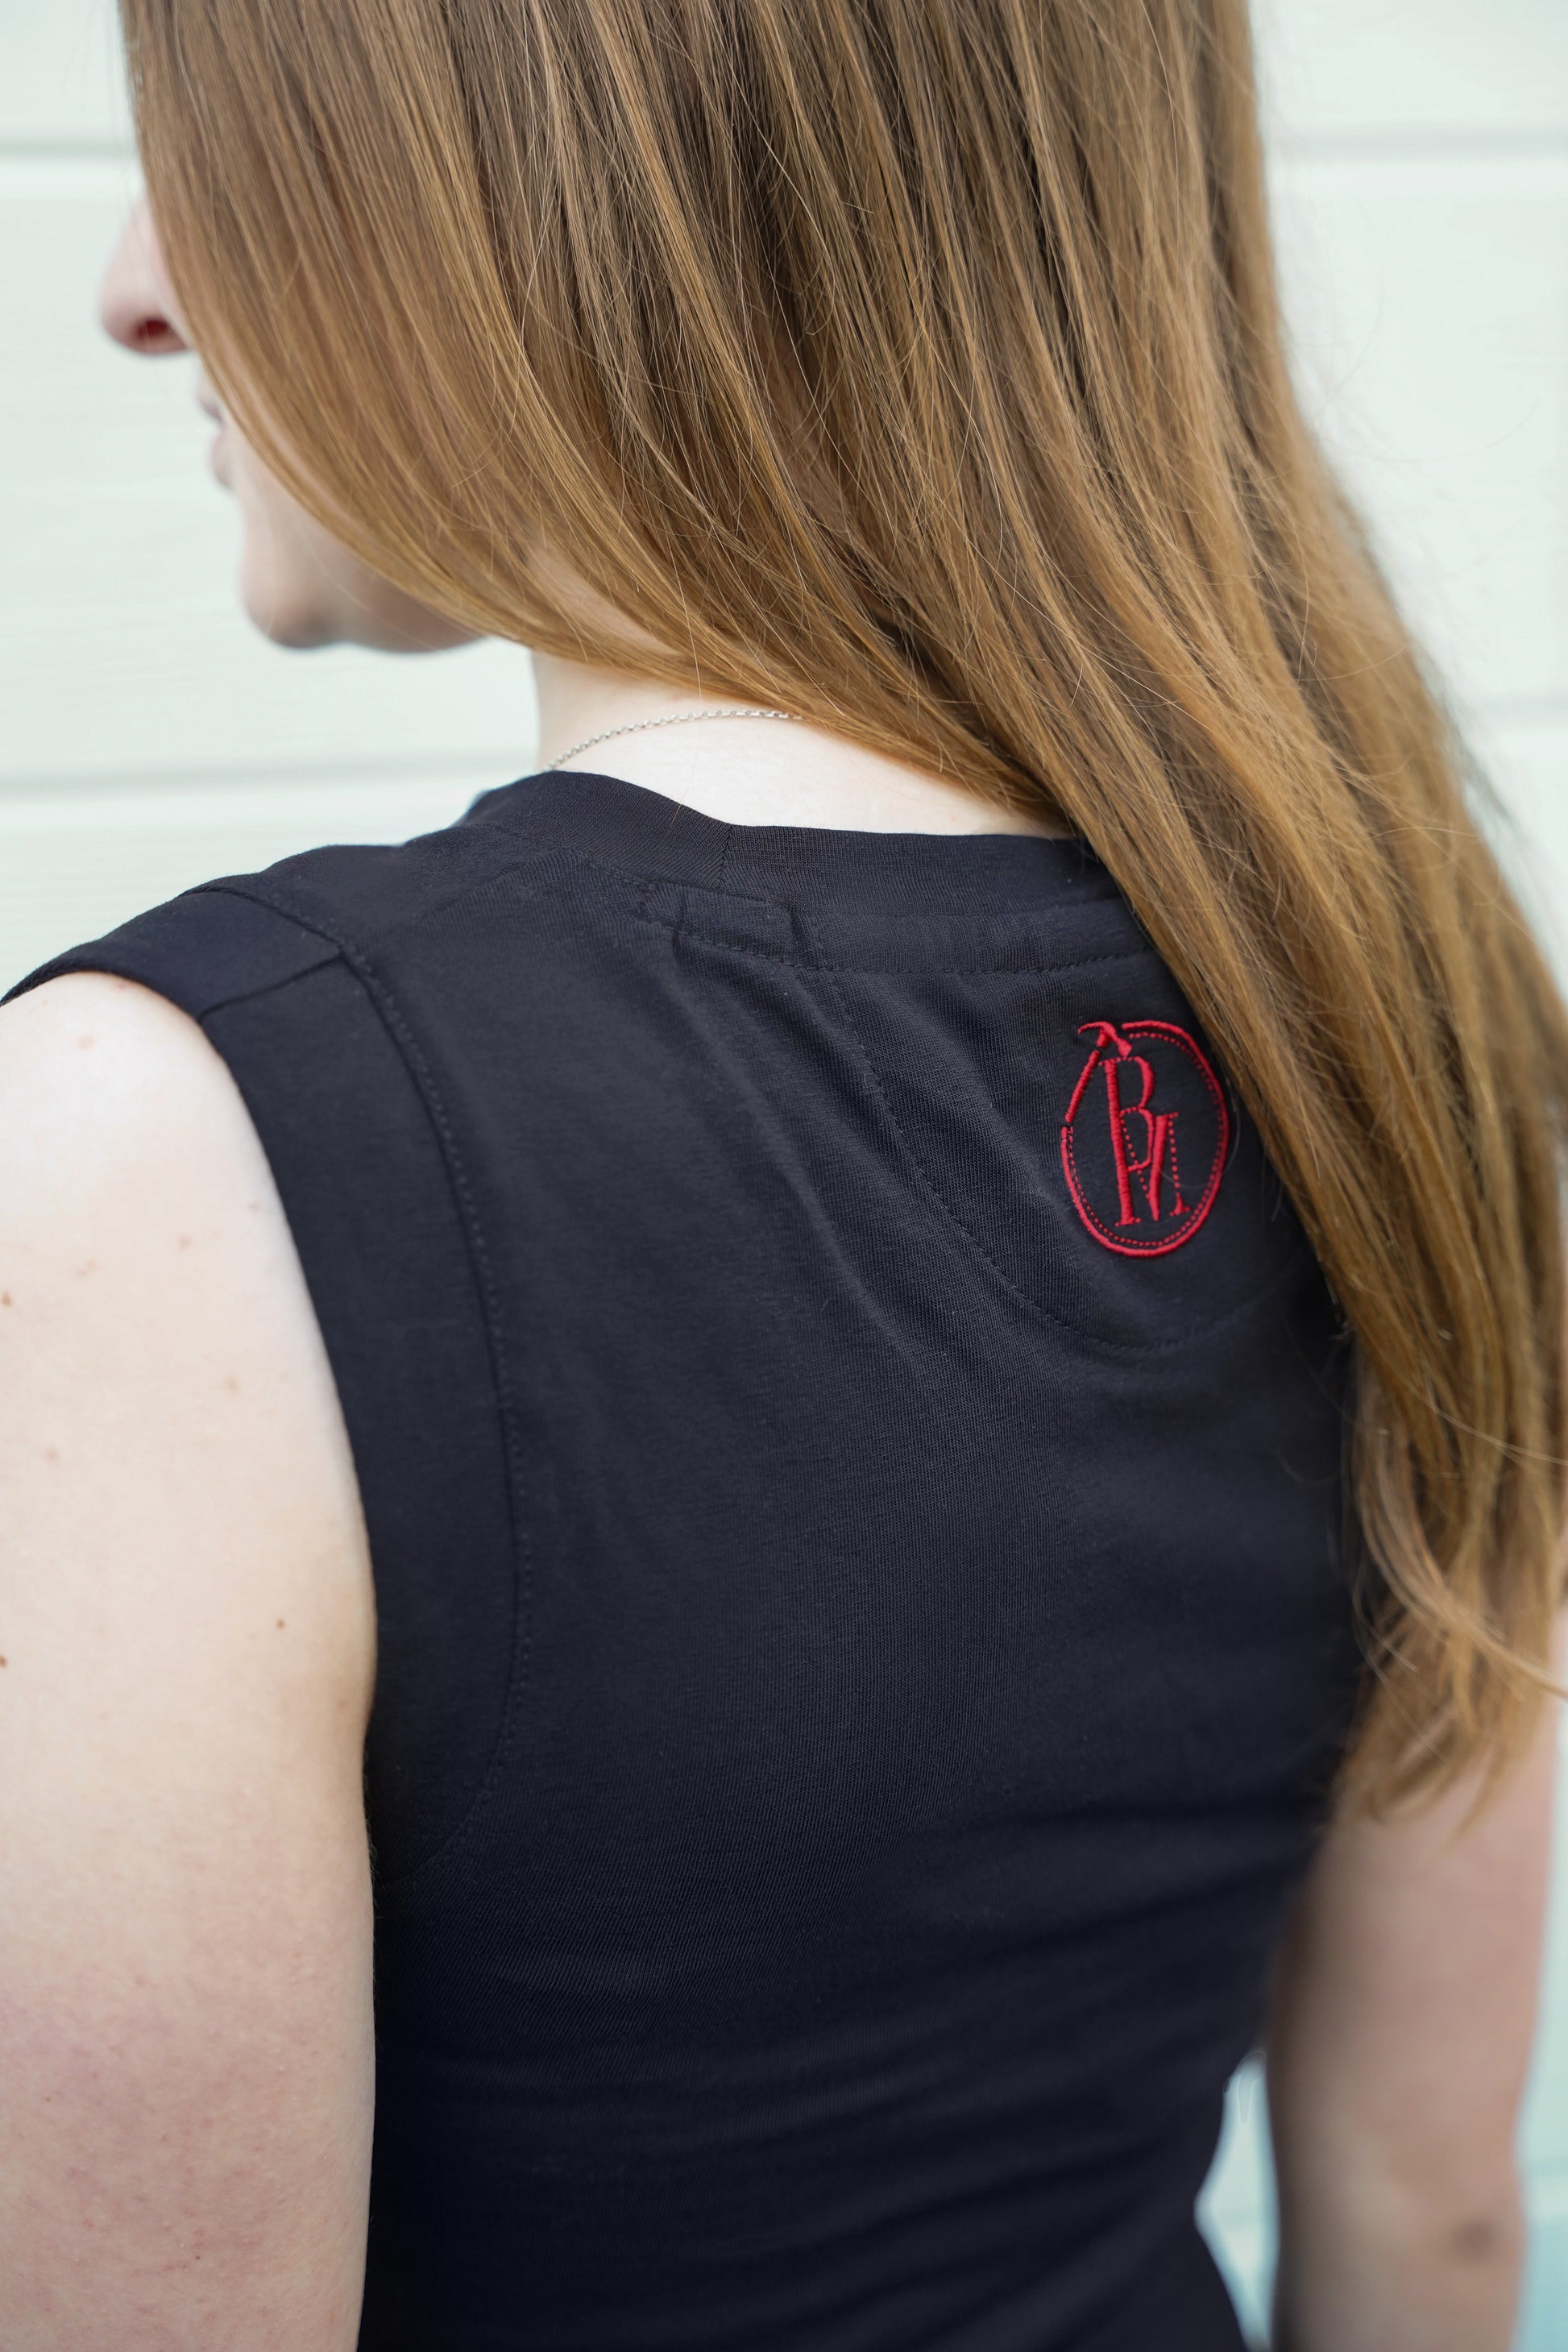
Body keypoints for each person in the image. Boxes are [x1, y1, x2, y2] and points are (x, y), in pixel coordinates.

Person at [0, 0, 1562, 2345]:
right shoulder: (1412, 1032)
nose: (135, 284)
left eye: (209, 142)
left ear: (519, 164)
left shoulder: (154, 1161)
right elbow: (1427, 2215)